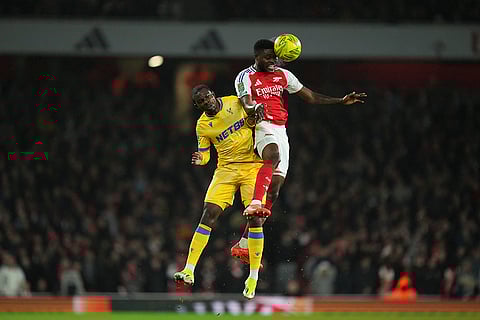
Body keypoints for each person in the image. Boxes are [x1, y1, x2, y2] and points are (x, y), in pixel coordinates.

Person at [231, 39, 367, 263]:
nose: (273, 61)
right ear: (256, 57)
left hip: (281, 130)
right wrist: (253, 109)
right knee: (272, 157)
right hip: (260, 126)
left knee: (274, 191)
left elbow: (310, 96)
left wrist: (340, 101)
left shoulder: (284, 75)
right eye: (267, 57)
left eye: (275, 57)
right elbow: (245, 101)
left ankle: (245, 241)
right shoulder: (245, 76)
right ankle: (255, 201)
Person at [174, 84, 267, 299]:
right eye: (202, 102)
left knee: (255, 217)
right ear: (198, 106)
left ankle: (253, 277)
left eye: (208, 97)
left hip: (252, 166)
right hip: (225, 169)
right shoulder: (203, 126)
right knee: (209, 213)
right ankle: (189, 269)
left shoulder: (235, 101)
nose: (207, 102)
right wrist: (201, 159)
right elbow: (205, 154)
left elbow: (255, 118)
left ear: (213, 95)